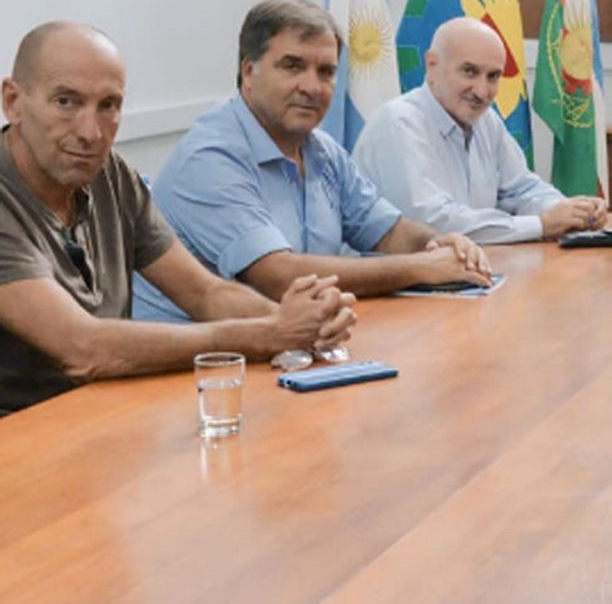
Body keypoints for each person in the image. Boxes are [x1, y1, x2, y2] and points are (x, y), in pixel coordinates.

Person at [0, 22, 357, 416]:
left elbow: (204, 293)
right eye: (66, 102)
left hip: (97, 415)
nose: (90, 132)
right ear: (13, 101)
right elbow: (83, 349)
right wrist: (270, 333)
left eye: (109, 106)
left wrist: (303, 324)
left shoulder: (109, 175)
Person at [135, 0, 493, 323]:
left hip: (288, 344)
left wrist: (442, 243)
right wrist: (423, 267)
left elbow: (388, 230)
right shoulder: (211, 157)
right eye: (292, 66)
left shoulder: (321, 149)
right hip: (193, 369)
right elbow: (279, 277)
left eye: (326, 72)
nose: (312, 86)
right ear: (248, 71)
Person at [353, 17, 606, 242]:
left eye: (493, 76)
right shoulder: (399, 123)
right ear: (432, 65)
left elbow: (521, 189)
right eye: (469, 72)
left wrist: (571, 211)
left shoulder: (486, 121)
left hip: (461, 275)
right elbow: (433, 224)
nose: (482, 91)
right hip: (391, 286)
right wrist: (541, 224)